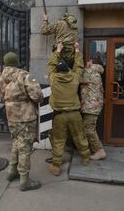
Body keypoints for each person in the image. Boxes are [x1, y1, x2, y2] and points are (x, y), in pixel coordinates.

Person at [0, 52, 43, 191]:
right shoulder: (25, 75)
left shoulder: (2, 77)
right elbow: (38, 96)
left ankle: (12, 171)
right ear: (16, 62)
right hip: (26, 116)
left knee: (16, 142)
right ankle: (24, 180)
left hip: (11, 115)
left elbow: (1, 95)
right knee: (25, 147)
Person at [47, 42, 90, 176]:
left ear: (58, 71)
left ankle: (56, 166)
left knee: (58, 140)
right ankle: (85, 157)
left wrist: (57, 50)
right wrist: (77, 50)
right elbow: (79, 66)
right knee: (79, 136)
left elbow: (50, 65)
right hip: (75, 114)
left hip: (60, 115)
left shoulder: (53, 78)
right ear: (67, 70)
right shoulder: (75, 78)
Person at [80, 57, 107, 160]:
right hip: (93, 105)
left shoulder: (90, 71)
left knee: (88, 129)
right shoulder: (96, 72)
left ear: (93, 63)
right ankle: (94, 149)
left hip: (91, 105)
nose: (87, 62)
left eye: (89, 61)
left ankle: (99, 150)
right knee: (89, 127)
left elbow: (78, 79)